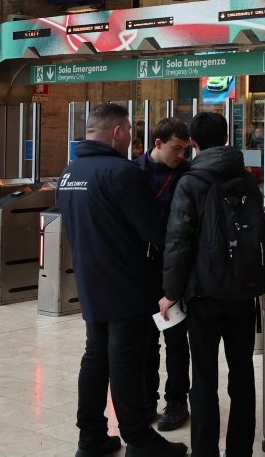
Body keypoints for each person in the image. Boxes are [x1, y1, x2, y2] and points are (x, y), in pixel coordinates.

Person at [57, 103, 187, 457]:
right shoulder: (121, 172)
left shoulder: (69, 173)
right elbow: (154, 229)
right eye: (129, 131)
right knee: (126, 363)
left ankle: (91, 438)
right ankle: (139, 440)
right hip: (127, 284)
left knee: (95, 359)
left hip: (90, 283)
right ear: (117, 132)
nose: (131, 137)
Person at [159, 111, 265, 457]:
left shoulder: (190, 182)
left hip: (203, 293)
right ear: (225, 138)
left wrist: (171, 292)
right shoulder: (246, 178)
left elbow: (178, 241)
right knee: (242, 374)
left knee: (204, 377)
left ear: (193, 142)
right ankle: (239, 450)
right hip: (243, 291)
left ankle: (204, 450)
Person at [134, 117, 192, 431]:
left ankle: (176, 401)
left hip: (172, 270)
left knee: (175, 338)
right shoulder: (133, 173)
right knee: (146, 340)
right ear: (158, 143)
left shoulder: (186, 175)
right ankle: (146, 400)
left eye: (185, 149)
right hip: (141, 270)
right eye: (175, 148)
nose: (180, 155)